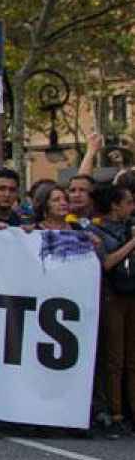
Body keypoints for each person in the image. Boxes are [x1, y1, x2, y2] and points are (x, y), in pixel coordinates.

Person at [86, 184, 135, 437]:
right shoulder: (96, 230)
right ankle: (115, 412)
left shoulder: (129, 225)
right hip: (111, 296)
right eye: (128, 202)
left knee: (132, 358)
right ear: (114, 205)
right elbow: (106, 263)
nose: (132, 207)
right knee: (115, 358)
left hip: (132, 295)